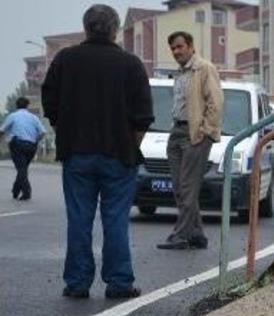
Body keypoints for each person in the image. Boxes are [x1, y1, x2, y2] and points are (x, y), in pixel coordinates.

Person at [41, 4, 153, 299]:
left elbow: (49, 102)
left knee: (79, 219)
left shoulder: (65, 60)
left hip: (77, 153)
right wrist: (130, 143)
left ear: (86, 27)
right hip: (119, 154)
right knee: (115, 219)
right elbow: (143, 116)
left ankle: (77, 283)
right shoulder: (130, 64)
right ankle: (119, 283)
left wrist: (64, 129)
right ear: (115, 30)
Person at [157, 31, 224, 250]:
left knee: (187, 187)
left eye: (180, 47)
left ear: (191, 46)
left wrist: (204, 130)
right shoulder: (180, 72)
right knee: (178, 187)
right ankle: (197, 234)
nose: (176, 52)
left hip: (194, 134)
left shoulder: (204, 68)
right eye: (173, 49)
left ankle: (181, 235)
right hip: (176, 131)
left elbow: (216, 102)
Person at [0, 97, 45, 200]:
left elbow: (2, 130)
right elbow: (42, 132)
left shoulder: (13, 116)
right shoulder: (33, 117)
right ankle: (15, 189)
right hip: (31, 147)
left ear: (16, 105)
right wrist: (35, 141)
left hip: (18, 146)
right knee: (23, 169)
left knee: (21, 169)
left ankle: (26, 192)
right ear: (27, 106)